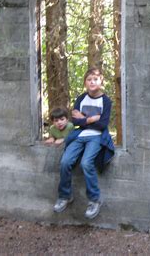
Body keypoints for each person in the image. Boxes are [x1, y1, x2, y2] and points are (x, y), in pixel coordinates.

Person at [53, 67, 115, 219]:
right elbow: (75, 121)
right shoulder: (81, 98)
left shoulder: (105, 101)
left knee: (86, 163)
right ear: (85, 82)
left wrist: (83, 118)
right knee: (65, 162)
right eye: (89, 79)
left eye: (95, 79)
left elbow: (102, 125)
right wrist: (92, 119)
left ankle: (94, 200)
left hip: (96, 137)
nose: (92, 82)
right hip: (79, 135)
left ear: (101, 81)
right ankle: (65, 196)